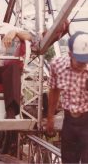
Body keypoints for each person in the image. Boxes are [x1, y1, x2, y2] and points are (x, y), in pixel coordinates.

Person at [46, 31, 88, 163]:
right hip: (69, 121)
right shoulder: (57, 65)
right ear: (70, 54)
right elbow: (54, 91)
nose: (83, 64)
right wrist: (50, 118)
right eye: (80, 61)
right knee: (69, 160)